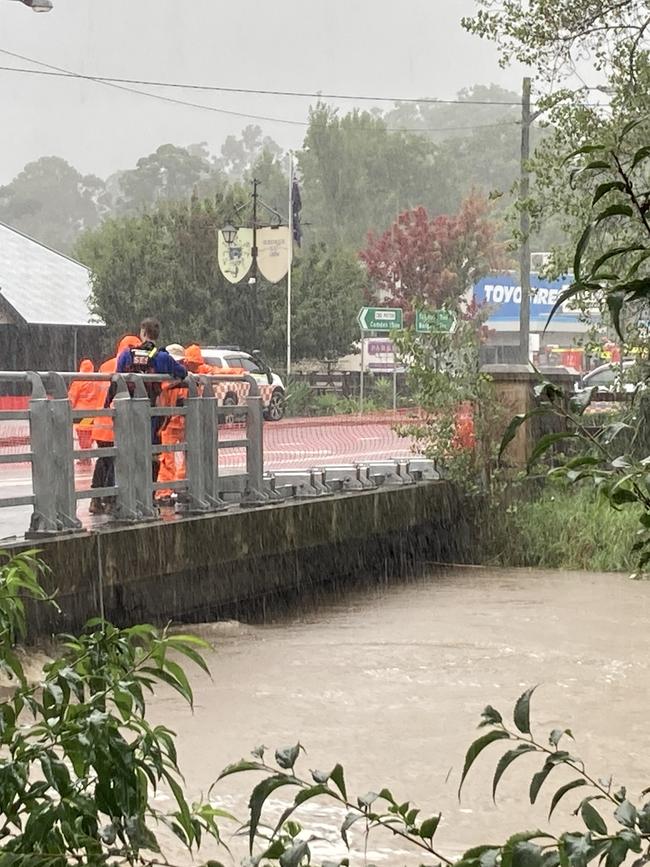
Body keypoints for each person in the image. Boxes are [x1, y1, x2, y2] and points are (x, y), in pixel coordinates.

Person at [115, 317, 187, 486]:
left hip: (129, 412)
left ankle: (127, 493)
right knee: (152, 453)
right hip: (152, 413)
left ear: (143, 333)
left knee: (128, 451)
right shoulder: (162, 357)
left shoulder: (127, 355)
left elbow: (117, 378)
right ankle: (148, 493)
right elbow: (182, 372)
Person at [89, 335, 140, 514]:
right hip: (115, 423)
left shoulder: (106, 365)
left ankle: (96, 500)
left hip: (100, 421)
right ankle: (110, 500)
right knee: (114, 463)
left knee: (103, 462)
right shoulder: (128, 367)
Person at [156, 343, 212, 506]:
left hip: (185, 422)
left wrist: (241, 372)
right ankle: (164, 492)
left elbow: (214, 372)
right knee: (167, 460)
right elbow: (162, 388)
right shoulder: (165, 375)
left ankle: (181, 487)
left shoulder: (193, 374)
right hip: (169, 423)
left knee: (191, 456)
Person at [68, 358, 102, 469]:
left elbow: (71, 398)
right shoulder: (98, 381)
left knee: (83, 437)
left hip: (81, 414)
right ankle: (86, 456)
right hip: (95, 414)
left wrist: (68, 410)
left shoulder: (78, 381)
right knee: (89, 437)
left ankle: (85, 457)